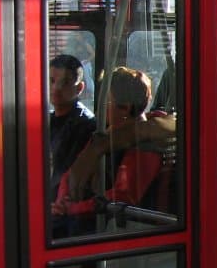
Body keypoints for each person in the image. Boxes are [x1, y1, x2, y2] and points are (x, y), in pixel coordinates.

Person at [52, 67, 165, 228]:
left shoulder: (147, 144)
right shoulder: (106, 136)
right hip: (88, 214)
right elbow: (72, 172)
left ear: (125, 107)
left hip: (123, 226)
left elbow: (122, 196)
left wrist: (74, 209)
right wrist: (61, 201)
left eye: (107, 102)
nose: (101, 108)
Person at [48, 54, 96, 203]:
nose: (56, 88)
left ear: (80, 88)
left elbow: (66, 175)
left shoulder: (85, 125)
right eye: (51, 81)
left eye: (66, 83)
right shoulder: (45, 120)